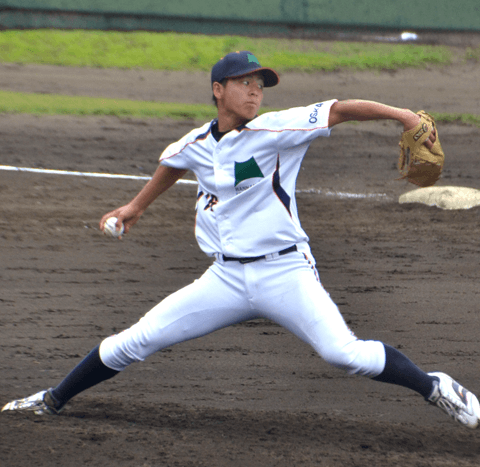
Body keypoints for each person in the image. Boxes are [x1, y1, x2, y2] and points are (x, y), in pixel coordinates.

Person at [2, 51, 479, 429]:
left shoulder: (276, 129)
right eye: (245, 83)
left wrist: (402, 117)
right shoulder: (197, 143)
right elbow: (173, 160)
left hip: (285, 271)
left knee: (343, 354)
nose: (255, 91)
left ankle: (435, 387)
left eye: (259, 85)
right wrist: (136, 206)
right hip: (226, 278)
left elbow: (337, 109)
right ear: (218, 90)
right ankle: (51, 399)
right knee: (135, 340)